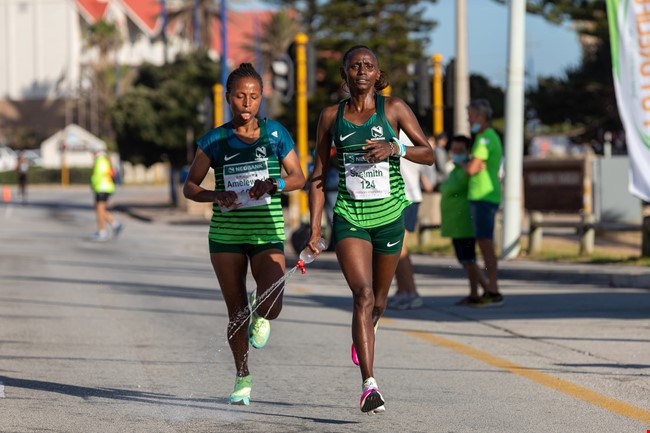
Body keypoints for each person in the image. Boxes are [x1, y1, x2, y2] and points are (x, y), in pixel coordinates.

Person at [306, 46, 434, 414]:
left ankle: (368, 327)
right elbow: (318, 175)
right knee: (361, 295)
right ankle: (369, 384)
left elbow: (428, 153)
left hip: (389, 217)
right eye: (355, 66)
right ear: (345, 74)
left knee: (378, 301)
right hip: (350, 217)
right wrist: (315, 228)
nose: (362, 71)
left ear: (378, 74)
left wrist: (395, 148)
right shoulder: (330, 117)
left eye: (369, 65)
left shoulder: (393, 109)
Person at [182, 63, 305, 406]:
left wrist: (274, 183)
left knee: (272, 304)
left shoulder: (275, 134)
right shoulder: (215, 140)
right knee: (236, 312)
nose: (247, 103)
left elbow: (298, 177)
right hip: (227, 235)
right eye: (240, 96)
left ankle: (260, 309)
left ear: (261, 97)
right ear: (228, 98)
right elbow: (190, 186)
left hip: (267, 231)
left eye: (253, 96)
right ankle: (242, 376)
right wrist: (215, 195)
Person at [439, 135, 490, 306]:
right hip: (455, 224)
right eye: (453, 150)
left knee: (469, 261)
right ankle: (477, 292)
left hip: (464, 224)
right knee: (465, 261)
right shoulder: (454, 170)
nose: (456, 153)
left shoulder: (468, 171)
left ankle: (486, 290)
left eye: (460, 150)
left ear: (468, 152)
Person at [464, 99, 504, 306]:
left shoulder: (484, 138)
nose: (468, 120)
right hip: (484, 196)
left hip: (483, 196)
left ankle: (493, 288)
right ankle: (491, 287)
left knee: (486, 244)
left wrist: (466, 164)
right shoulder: (490, 136)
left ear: (481, 116)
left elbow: (472, 169)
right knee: (485, 243)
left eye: (470, 115)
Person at [387, 131, 426, 310]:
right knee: (393, 247)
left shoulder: (396, 133)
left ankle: (412, 292)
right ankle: (402, 290)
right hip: (400, 196)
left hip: (407, 197)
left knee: (399, 247)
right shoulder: (406, 133)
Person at [90, 150, 123, 242]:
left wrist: (93, 183)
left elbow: (98, 174)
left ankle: (102, 231)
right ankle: (115, 224)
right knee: (100, 209)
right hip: (105, 187)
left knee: (100, 210)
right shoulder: (104, 159)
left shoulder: (100, 160)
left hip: (102, 188)